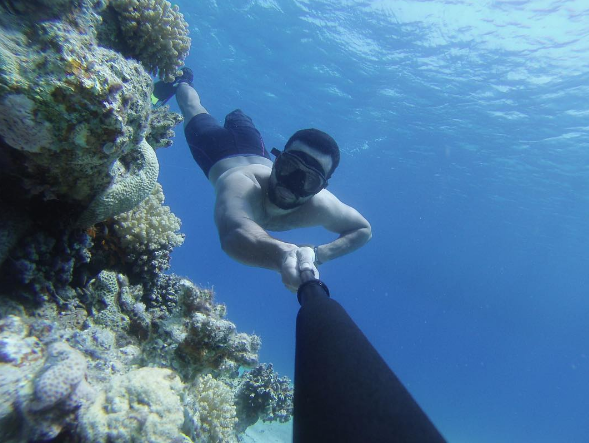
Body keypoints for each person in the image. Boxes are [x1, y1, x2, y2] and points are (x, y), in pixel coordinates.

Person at [153, 68, 371, 292]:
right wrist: (283, 255)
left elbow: (362, 229)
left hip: (254, 149)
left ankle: (237, 116)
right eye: (289, 166)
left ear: (320, 188)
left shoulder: (322, 205)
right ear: (277, 161)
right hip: (214, 146)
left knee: (238, 119)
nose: (291, 183)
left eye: (309, 179)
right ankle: (183, 82)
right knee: (192, 108)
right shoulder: (241, 184)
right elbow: (233, 233)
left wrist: (319, 254)